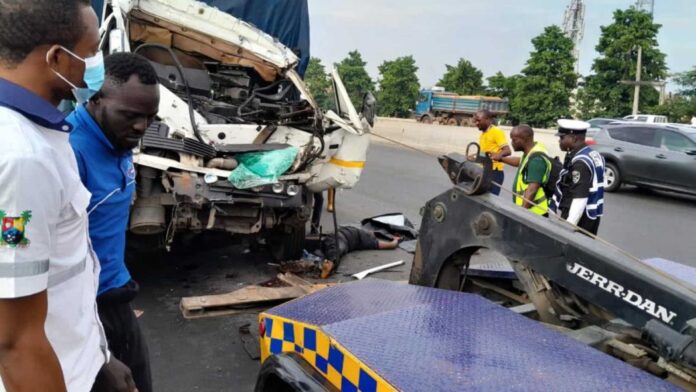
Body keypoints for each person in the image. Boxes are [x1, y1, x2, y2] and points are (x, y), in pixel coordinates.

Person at [0, 1, 135, 391]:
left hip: (78, 361)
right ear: (57, 58)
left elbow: (66, 272)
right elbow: (14, 343)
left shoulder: (41, 132)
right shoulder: (22, 158)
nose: (97, 64)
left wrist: (101, 355)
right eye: (92, 52)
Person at [68, 52, 160, 392]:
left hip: (117, 297)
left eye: (150, 117)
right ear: (95, 98)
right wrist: (97, 353)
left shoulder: (118, 139)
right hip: (82, 313)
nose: (141, 127)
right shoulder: (70, 153)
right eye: (131, 116)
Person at [549, 119, 606, 235]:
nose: (559, 141)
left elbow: (580, 197)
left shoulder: (580, 163)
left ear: (573, 139)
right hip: (591, 216)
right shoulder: (592, 154)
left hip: (580, 217)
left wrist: (568, 227)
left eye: (562, 138)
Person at [501, 125, 551, 216]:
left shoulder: (536, 159)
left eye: (514, 140)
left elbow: (532, 190)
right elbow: (520, 162)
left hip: (534, 213)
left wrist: (521, 214)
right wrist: (501, 159)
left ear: (525, 139)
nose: (512, 143)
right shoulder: (530, 152)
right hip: (529, 211)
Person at [315, 226, 399, 278]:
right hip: (340, 240)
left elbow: (389, 244)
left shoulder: (359, 233)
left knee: (332, 248)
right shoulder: (366, 239)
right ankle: (330, 263)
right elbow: (391, 245)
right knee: (337, 249)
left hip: (332, 237)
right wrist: (395, 240)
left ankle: (328, 262)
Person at [473, 110, 511, 195]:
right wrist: (475, 156)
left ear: (487, 120)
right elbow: (485, 152)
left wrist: (498, 155)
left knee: (490, 199)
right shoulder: (483, 134)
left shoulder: (496, 131)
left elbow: (507, 150)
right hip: (484, 171)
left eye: (478, 120)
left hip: (494, 173)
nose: (476, 123)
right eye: (475, 121)